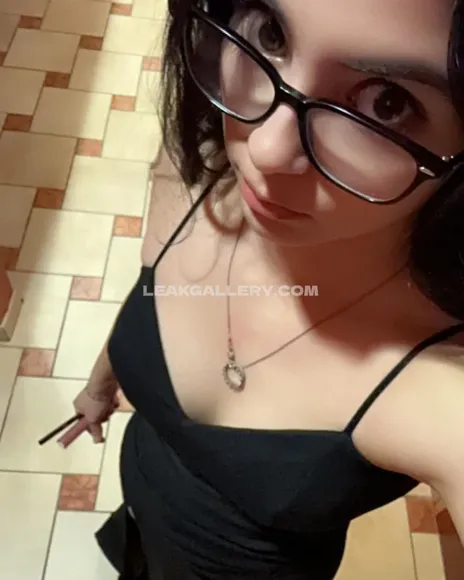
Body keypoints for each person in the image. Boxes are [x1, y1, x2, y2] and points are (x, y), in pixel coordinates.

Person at [73, 0, 464, 578]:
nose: (265, 149)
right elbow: (147, 290)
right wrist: (100, 385)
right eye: (271, 34)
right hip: (143, 512)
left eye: (387, 103)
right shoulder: (200, 169)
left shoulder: (442, 386)